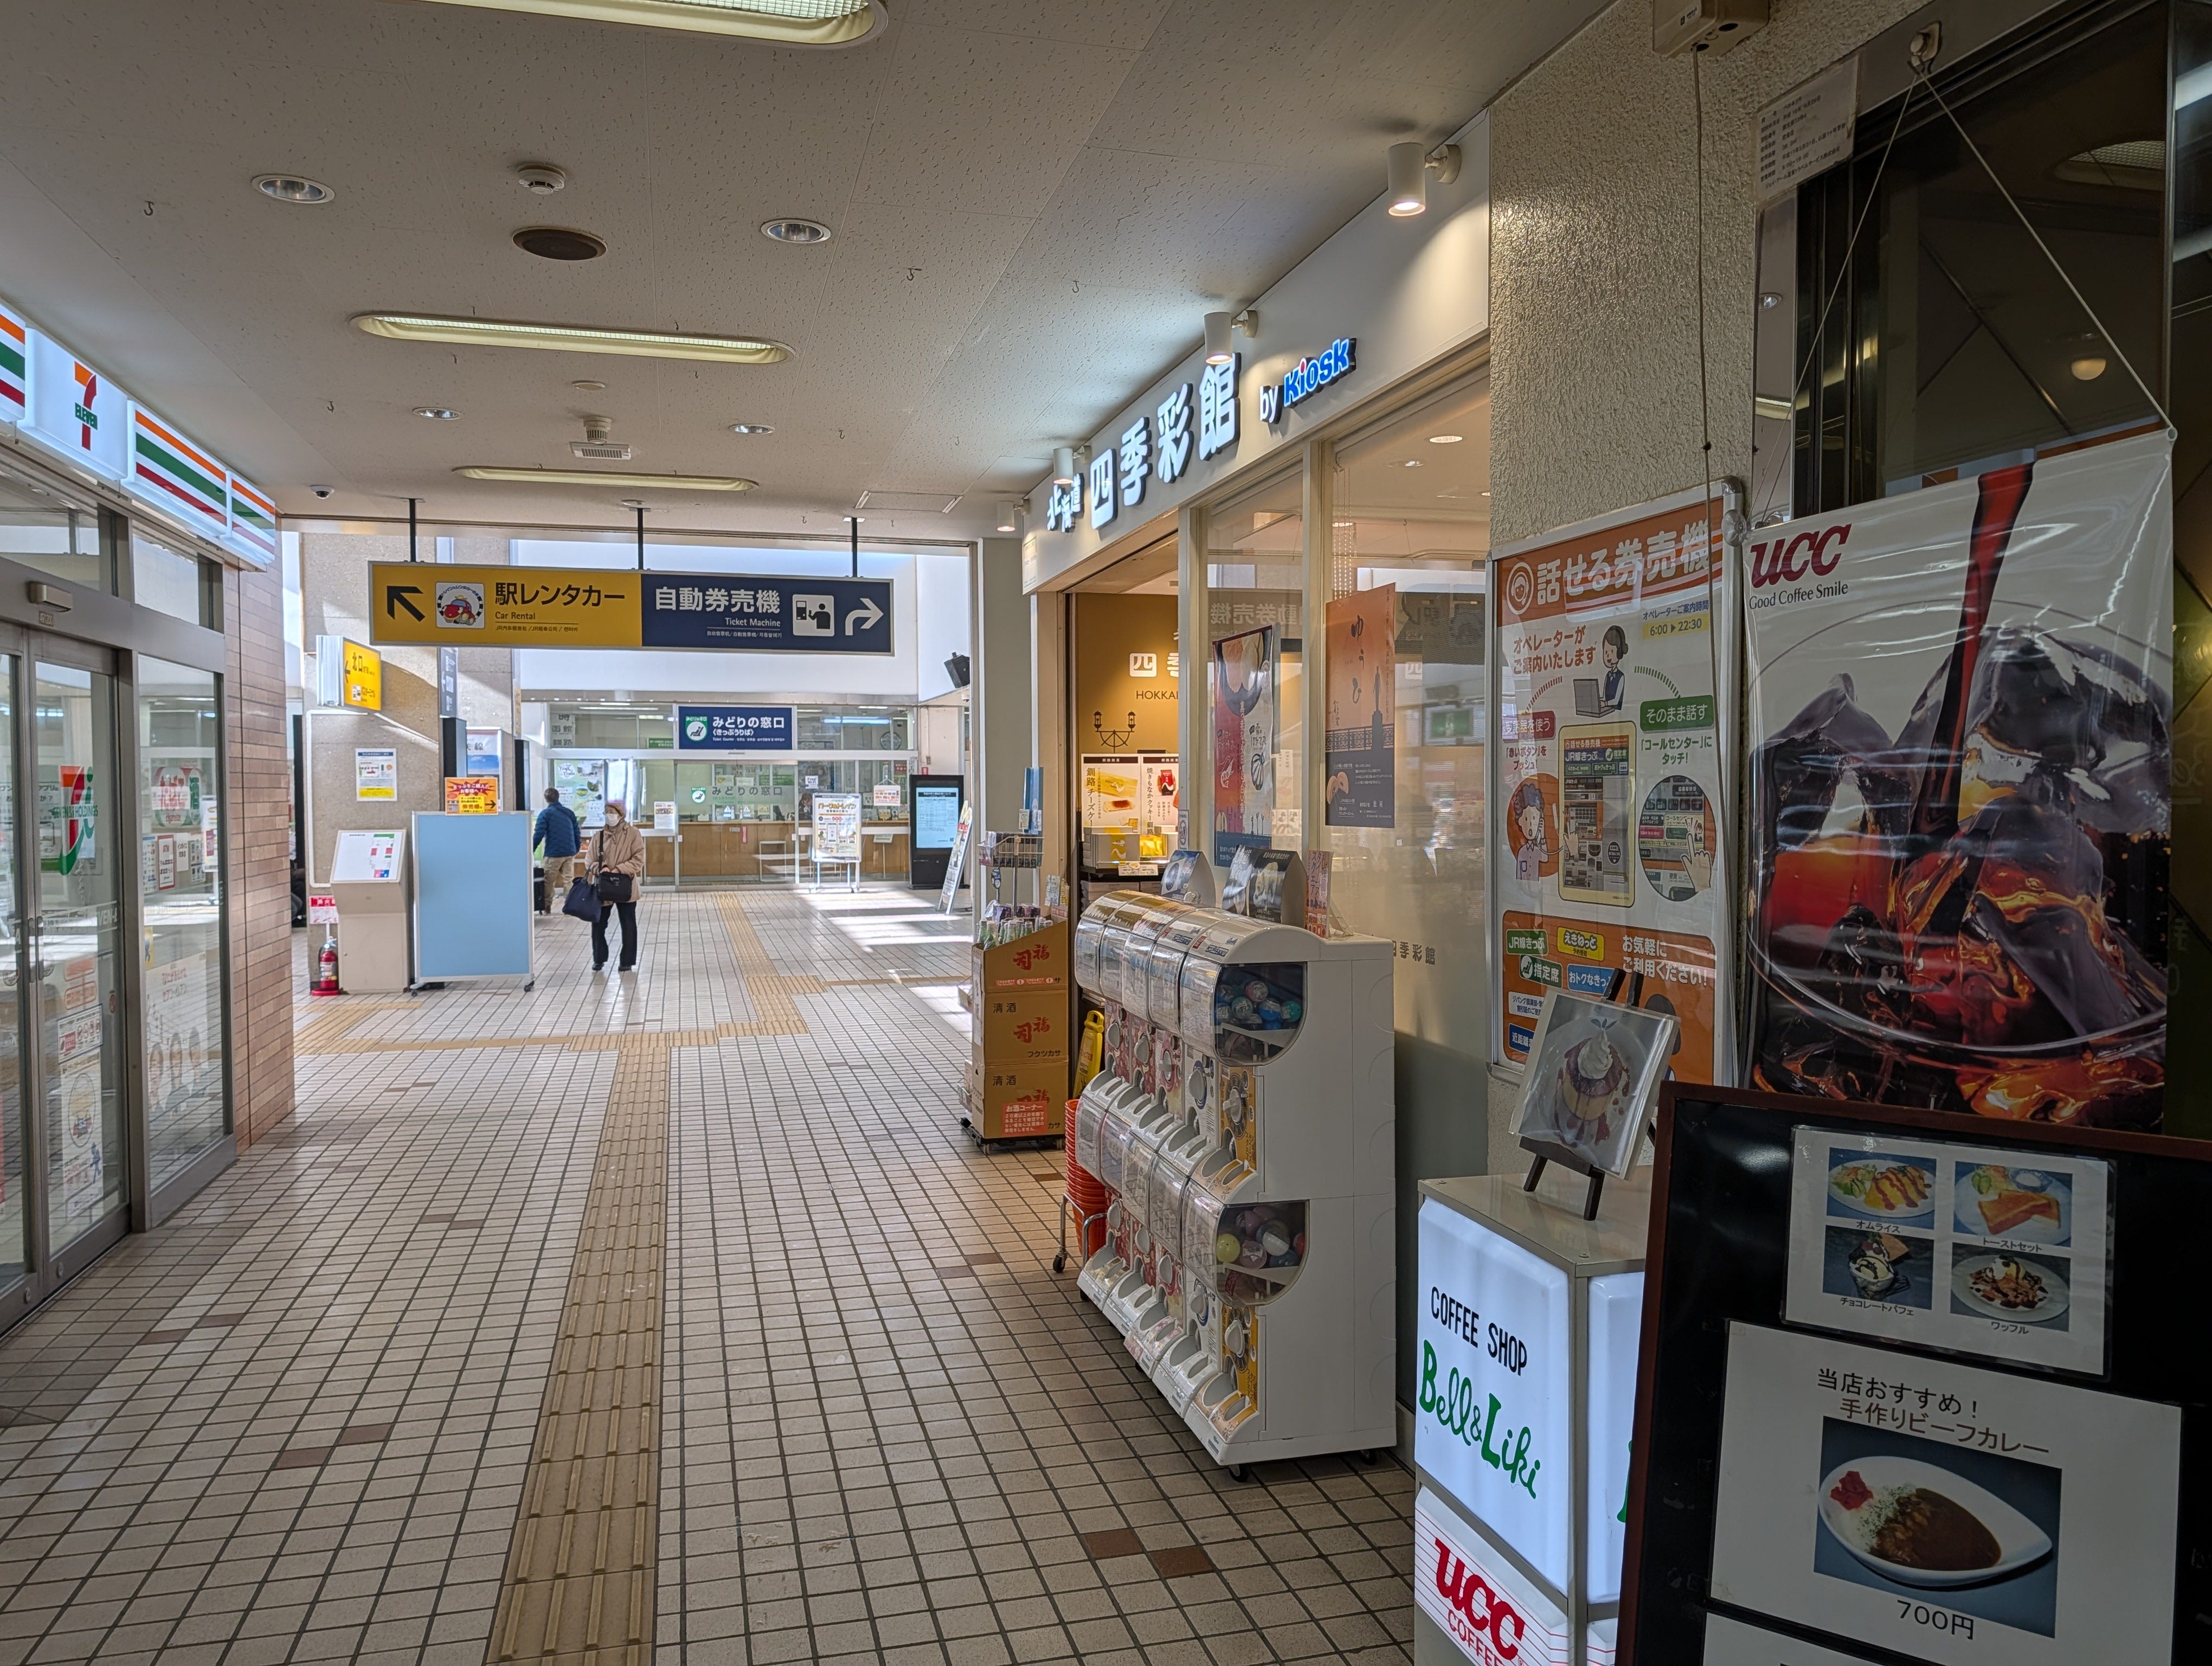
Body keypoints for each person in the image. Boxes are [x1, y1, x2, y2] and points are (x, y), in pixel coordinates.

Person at [589, 798, 646, 972]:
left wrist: (619, 869)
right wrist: (601, 868)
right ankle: (599, 958)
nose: (609, 816)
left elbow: (639, 859)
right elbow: (589, 860)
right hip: (604, 885)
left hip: (625, 885)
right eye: (607, 813)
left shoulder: (633, 834)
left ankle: (627, 961)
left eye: (613, 813)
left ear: (621, 815)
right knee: (598, 924)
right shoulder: (599, 836)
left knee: (628, 924)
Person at [533, 786, 583, 914]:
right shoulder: (569, 813)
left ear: (546, 799)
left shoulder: (546, 814)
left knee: (548, 881)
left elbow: (539, 834)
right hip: (569, 852)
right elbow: (577, 832)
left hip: (553, 853)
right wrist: (576, 848)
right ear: (558, 798)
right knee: (569, 880)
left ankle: (547, 906)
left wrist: (531, 849)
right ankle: (570, 906)